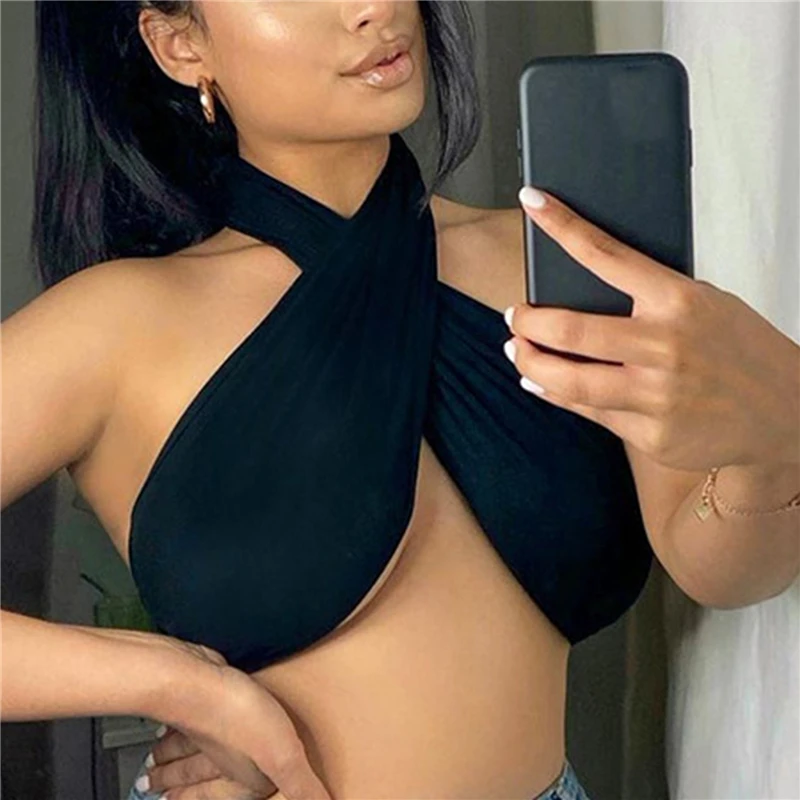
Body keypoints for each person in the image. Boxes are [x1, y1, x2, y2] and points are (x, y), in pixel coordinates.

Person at [2, 3, 798, 800]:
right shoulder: (118, 325)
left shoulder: (556, 264)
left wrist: (777, 437)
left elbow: (720, 570)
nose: (373, 6)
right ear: (181, 46)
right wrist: (177, 683)